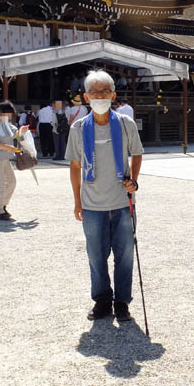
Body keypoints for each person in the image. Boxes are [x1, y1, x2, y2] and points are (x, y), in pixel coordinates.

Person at [67, 70, 143, 323]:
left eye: (104, 91)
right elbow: (75, 166)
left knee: (125, 255)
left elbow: (137, 153)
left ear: (113, 94)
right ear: (86, 97)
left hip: (122, 201)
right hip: (91, 204)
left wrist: (134, 180)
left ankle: (122, 302)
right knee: (96, 256)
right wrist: (77, 201)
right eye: (94, 92)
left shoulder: (124, 123)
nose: (99, 96)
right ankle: (102, 300)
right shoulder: (78, 128)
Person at [0, 101, 27, 221]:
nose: (9, 117)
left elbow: (16, 134)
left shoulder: (5, 122)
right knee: (0, 184)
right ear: (0, 113)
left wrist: (23, 132)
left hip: (5, 157)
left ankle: (1, 205)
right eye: (7, 115)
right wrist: (9, 148)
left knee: (12, 182)